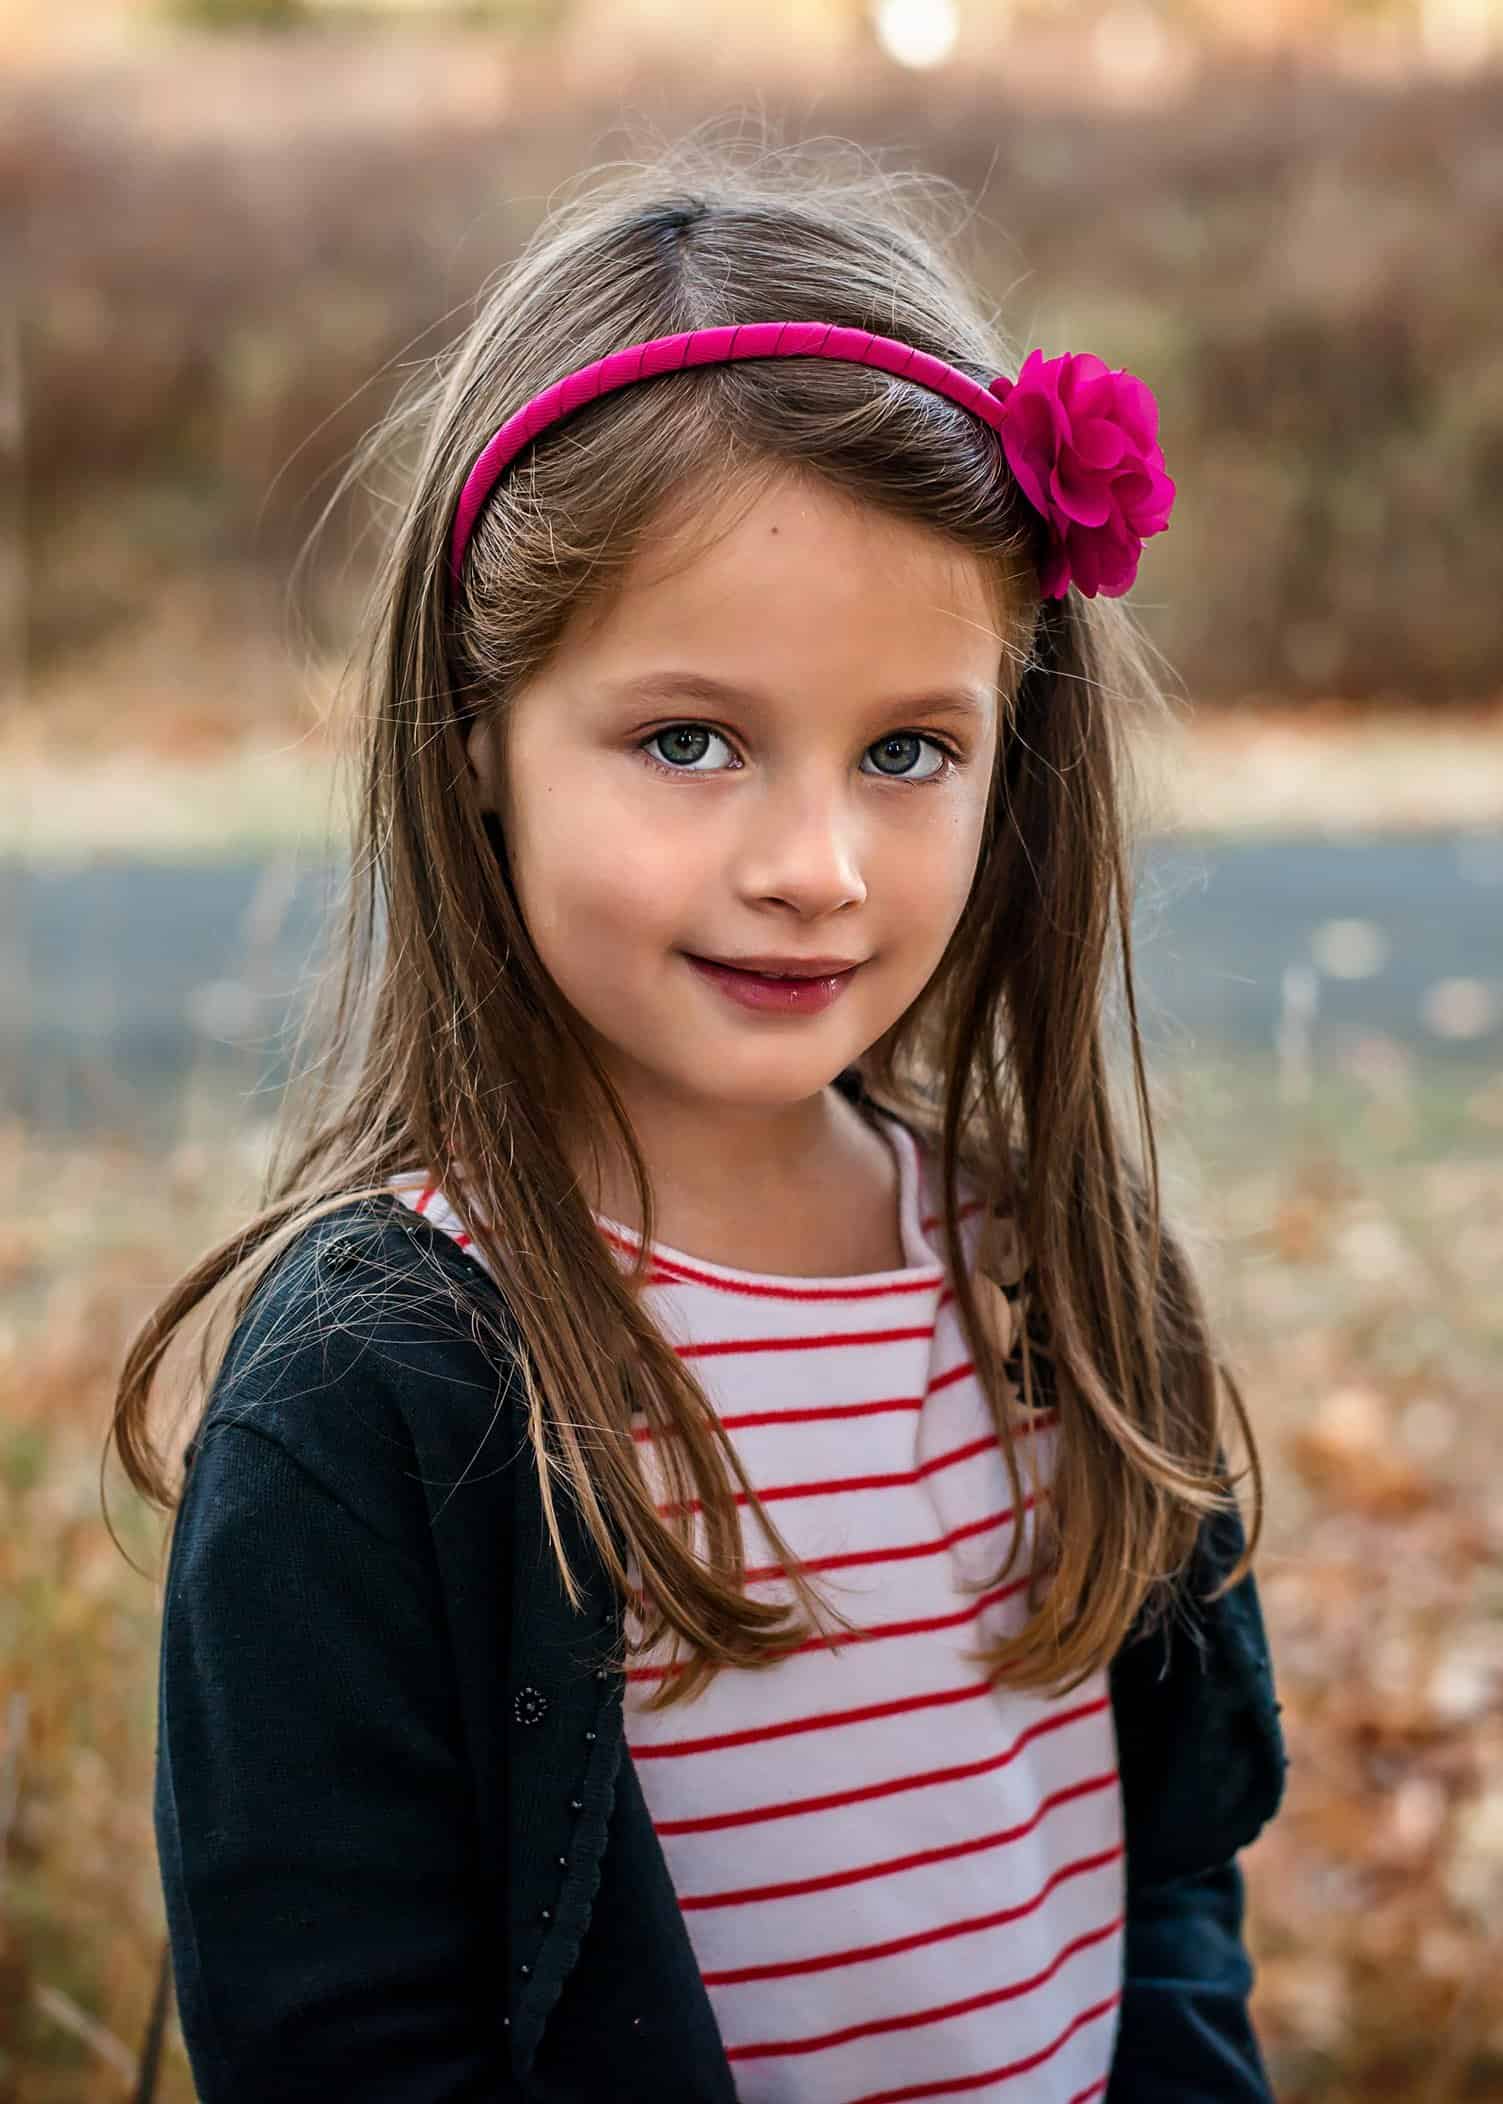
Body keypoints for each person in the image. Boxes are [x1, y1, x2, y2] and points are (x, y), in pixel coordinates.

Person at [111, 131, 1288, 2104]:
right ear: (478, 737)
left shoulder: (1050, 1279)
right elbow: (339, 2039)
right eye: (688, 739)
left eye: (908, 747)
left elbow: (1166, 1875)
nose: (814, 865)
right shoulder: (384, 1389)